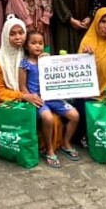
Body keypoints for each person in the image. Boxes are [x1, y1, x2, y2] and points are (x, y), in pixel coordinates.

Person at [21, 30, 82, 167]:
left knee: (75, 115)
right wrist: (30, 98)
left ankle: (66, 143)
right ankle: (48, 149)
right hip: (38, 100)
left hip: (53, 98)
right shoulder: (25, 63)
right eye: (33, 43)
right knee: (48, 118)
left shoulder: (47, 59)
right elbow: (22, 87)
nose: (37, 46)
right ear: (26, 46)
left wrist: (50, 61)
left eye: (40, 43)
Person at [0, 16, 28, 104]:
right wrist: (22, 96)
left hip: (32, 99)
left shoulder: (29, 53)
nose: (17, 37)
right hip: (6, 104)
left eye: (21, 33)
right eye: (12, 34)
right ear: (5, 36)